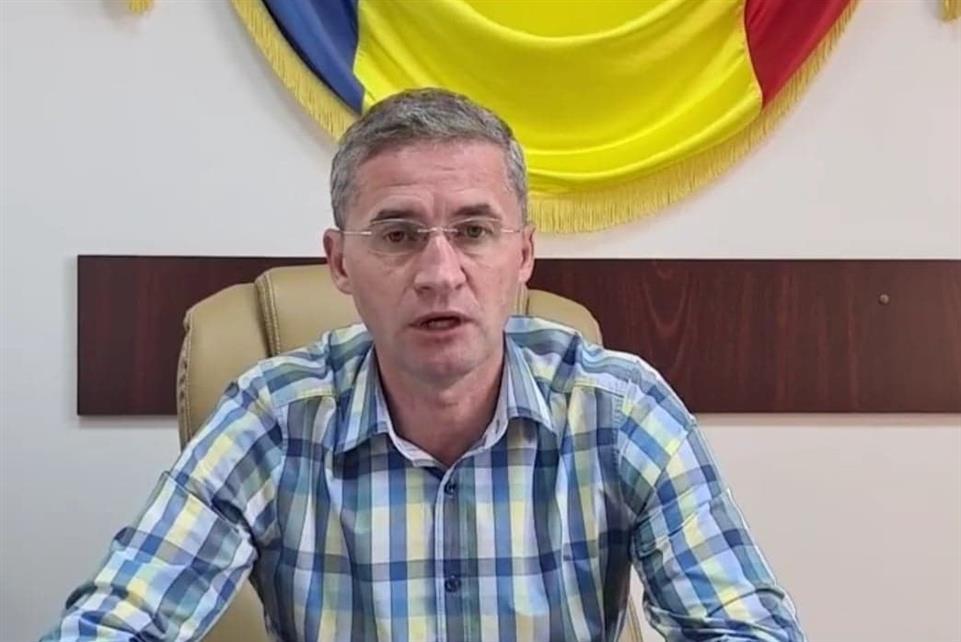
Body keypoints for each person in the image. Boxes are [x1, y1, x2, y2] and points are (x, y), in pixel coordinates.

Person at [43, 88, 804, 641]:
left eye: (473, 231)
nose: (440, 274)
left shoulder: (620, 408)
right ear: (340, 263)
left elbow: (743, 628)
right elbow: (117, 621)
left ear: (523, 254)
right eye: (399, 235)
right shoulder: (273, 418)